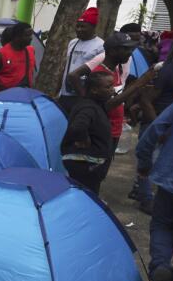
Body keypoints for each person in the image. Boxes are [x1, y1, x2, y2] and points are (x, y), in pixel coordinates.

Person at [67, 32, 158, 190]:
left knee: (100, 175)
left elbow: (118, 98)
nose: (130, 54)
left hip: (113, 130)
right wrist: (139, 83)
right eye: (126, 50)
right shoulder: (101, 76)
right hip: (101, 133)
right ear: (114, 51)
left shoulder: (116, 70)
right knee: (91, 177)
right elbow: (107, 105)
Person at [140, 89, 173, 281]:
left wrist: (144, 161)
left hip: (172, 173)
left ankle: (160, 267)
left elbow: (157, 127)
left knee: (163, 225)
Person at [61, 71, 115, 194]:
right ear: (95, 90)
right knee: (86, 195)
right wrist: (84, 139)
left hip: (90, 165)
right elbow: (77, 128)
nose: (112, 90)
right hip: (85, 166)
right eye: (108, 87)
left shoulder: (96, 105)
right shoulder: (88, 108)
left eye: (112, 86)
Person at [58, 8, 106, 111]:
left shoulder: (100, 45)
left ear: (93, 27)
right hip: (65, 93)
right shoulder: (73, 42)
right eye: (78, 26)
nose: (79, 29)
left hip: (82, 93)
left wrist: (85, 98)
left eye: (83, 27)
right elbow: (66, 66)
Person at [0, 22, 35, 97]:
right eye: (27, 35)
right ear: (17, 37)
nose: (31, 38)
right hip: (4, 97)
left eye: (31, 35)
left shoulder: (31, 50)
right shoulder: (0, 55)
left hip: (25, 97)